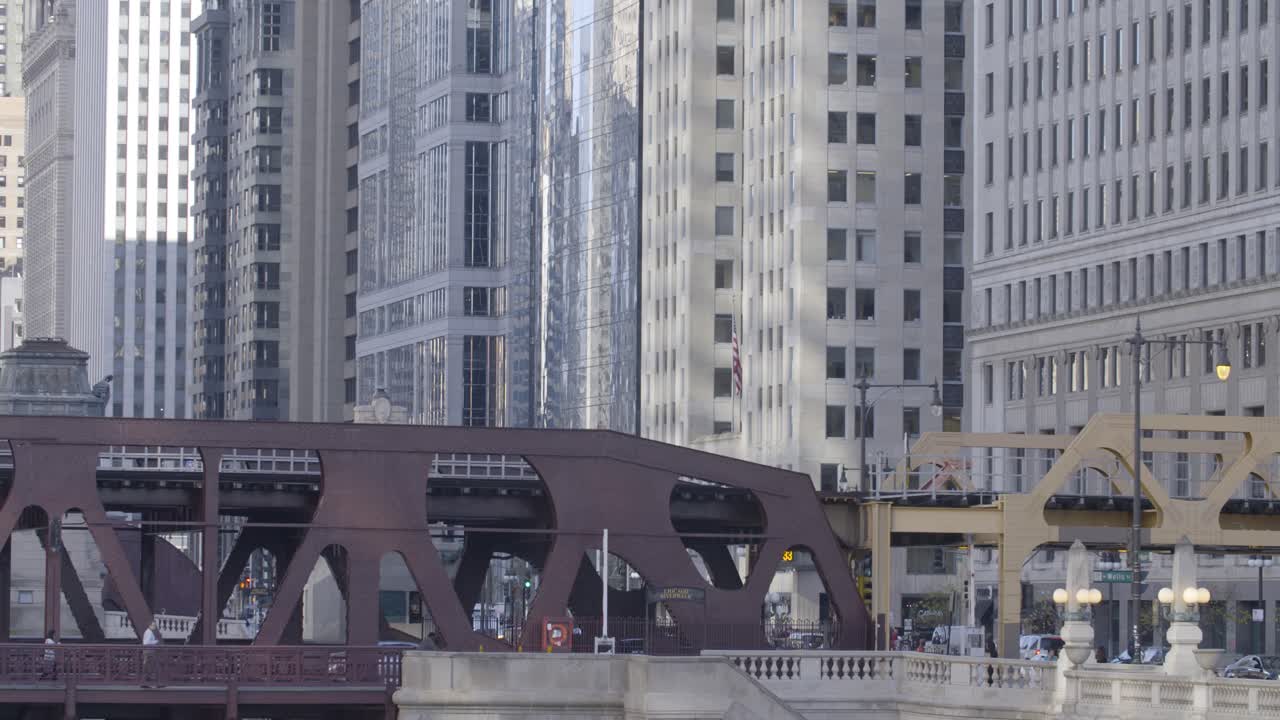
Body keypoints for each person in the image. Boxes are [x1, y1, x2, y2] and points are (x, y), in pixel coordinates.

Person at [142, 619, 163, 687]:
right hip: (150, 652)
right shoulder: (149, 632)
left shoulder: (148, 631)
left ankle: (145, 683)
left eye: (155, 625)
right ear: (149, 625)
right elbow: (146, 643)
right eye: (153, 625)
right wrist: (156, 642)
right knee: (155, 667)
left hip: (148, 652)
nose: (154, 627)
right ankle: (157, 683)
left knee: (148, 667)